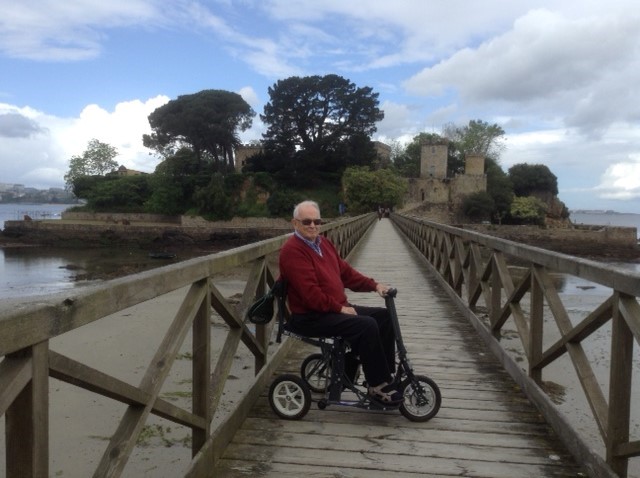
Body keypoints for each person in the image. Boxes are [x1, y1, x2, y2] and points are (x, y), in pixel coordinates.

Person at [279, 200, 402, 404]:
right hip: (310, 316)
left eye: (317, 221)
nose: (312, 225)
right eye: (306, 221)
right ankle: (377, 386)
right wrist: (340, 308)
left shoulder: (323, 243)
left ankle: (384, 376)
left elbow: (346, 273)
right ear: (295, 223)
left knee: (383, 317)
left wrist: (375, 285)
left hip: (331, 310)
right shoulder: (292, 251)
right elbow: (310, 295)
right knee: (367, 325)